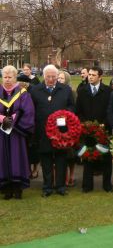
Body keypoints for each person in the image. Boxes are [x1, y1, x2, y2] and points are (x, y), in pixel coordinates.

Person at [30, 65, 75, 197]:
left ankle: (61, 186)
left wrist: (66, 115)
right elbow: (31, 110)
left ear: (57, 76)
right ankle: (47, 187)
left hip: (61, 131)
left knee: (61, 159)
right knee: (46, 160)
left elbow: (71, 106)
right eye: (48, 76)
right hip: (43, 131)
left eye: (53, 77)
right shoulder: (35, 90)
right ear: (43, 76)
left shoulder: (66, 90)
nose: (51, 79)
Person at [0, 65, 35, 199]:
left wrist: (13, 120)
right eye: (5, 77)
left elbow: (29, 112)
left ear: (15, 78)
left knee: (17, 158)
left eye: (10, 77)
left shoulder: (23, 93)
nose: (7, 80)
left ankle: (17, 188)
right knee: (2, 159)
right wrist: (2, 118)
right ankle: (6, 189)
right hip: (1, 134)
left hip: (16, 133)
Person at [76, 66, 113, 193]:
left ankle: (107, 185)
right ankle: (87, 186)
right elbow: (78, 111)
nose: (90, 77)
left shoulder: (108, 91)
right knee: (87, 156)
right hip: (87, 130)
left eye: (93, 75)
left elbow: (110, 110)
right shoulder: (82, 91)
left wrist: (104, 124)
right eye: (89, 75)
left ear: (100, 77)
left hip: (104, 129)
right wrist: (85, 124)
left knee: (106, 156)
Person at [17, 74, 40, 180]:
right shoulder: (17, 92)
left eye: (21, 83)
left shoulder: (33, 92)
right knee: (25, 148)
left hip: (33, 122)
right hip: (20, 124)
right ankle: (28, 169)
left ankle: (35, 168)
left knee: (33, 148)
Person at [57, 70, 77, 187]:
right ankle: (61, 177)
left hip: (69, 124)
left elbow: (73, 106)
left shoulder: (72, 92)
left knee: (70, 153)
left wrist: (66, 115)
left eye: (62, 78)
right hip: (56, 125)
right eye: (58, 78)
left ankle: (71, 175)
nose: (59, 80)